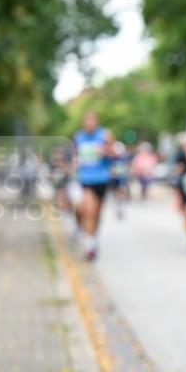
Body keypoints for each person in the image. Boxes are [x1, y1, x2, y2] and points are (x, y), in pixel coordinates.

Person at [73, 112, 114, 261]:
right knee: (89, 210)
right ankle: (90, 245)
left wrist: (105, 150)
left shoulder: (105, 135)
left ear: (96, 121)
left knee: (97, 213)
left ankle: (93, 238)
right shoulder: (79, 137)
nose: (89, 123)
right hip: (86, 179)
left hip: (102, 179)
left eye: (92, 120)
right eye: (87, 120)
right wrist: (76, 162)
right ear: (84, 122)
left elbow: (114, 154)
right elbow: (76, 156)